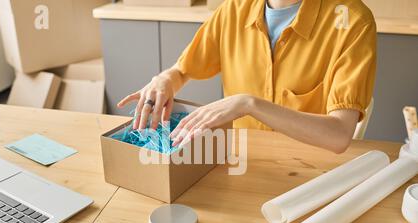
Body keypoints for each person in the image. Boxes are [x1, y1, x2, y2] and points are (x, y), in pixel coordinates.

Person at [117, 0, 377, 153]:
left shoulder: (353, 22)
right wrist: (165, 79)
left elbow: (340, 135)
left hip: (310, 171)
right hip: (238, 160)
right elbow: (183, 70)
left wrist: (248, 104)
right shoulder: (233, 9)